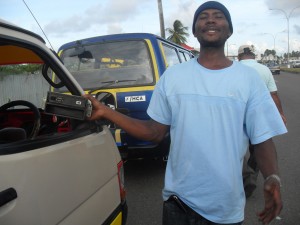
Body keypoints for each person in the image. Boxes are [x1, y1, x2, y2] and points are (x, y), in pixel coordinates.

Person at [84, 1, 287, 224]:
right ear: (194, 31)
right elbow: (154, 132)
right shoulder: (173, 77)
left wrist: (273, 177)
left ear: (229, 30)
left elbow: (262, 139)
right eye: (203, 16)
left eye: (218, 16)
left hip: (225, 209)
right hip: (177, 204)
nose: (210, 19)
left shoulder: (249, 80)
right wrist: (105, 112)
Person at [238, 45, 287, 198]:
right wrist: (280, 113)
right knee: (259, 146)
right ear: (254, 55)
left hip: (236, 114)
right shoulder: (264, 70)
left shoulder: (232, 68)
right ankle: (252, 173)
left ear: (239, 56)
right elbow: (273, 94)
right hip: (259, 116)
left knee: (236, 148)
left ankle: (244, 175)